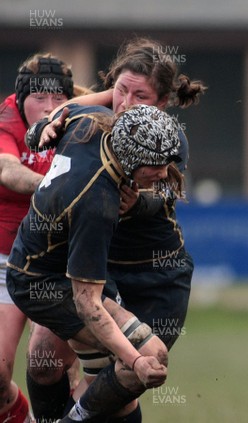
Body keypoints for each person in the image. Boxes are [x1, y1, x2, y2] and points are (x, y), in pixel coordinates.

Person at [26, 37, 205, 422]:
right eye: (120, 90)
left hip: (154, 277)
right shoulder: (94, 122)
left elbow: (164, 194)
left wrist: (140, 202)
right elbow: (55, 120)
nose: (125, 103)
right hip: (99, 272)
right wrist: (48, 123)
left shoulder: (166, 139)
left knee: (120, 385)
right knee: (42, 358)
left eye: (139, 96)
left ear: (161, 104)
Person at [8, 103, 183, 423]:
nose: (163, 173)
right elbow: (87, 303)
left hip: (47, 264)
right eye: (156, 166)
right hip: (40, 283)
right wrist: (134, 361)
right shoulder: (97, 202)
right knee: (144, 359)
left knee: (117, 379)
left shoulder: (91, 121)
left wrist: (40, 131)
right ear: (130, 159)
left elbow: (63, 113)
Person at [0, 53, 75, 423]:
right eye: (38, 99)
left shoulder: (77, 116)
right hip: (6, 260)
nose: (48, 108)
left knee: (51, 366)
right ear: (19, 97)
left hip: (60, 261)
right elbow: (9, 171)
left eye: (57, 99)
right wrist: (58, 188)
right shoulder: (6, 120)